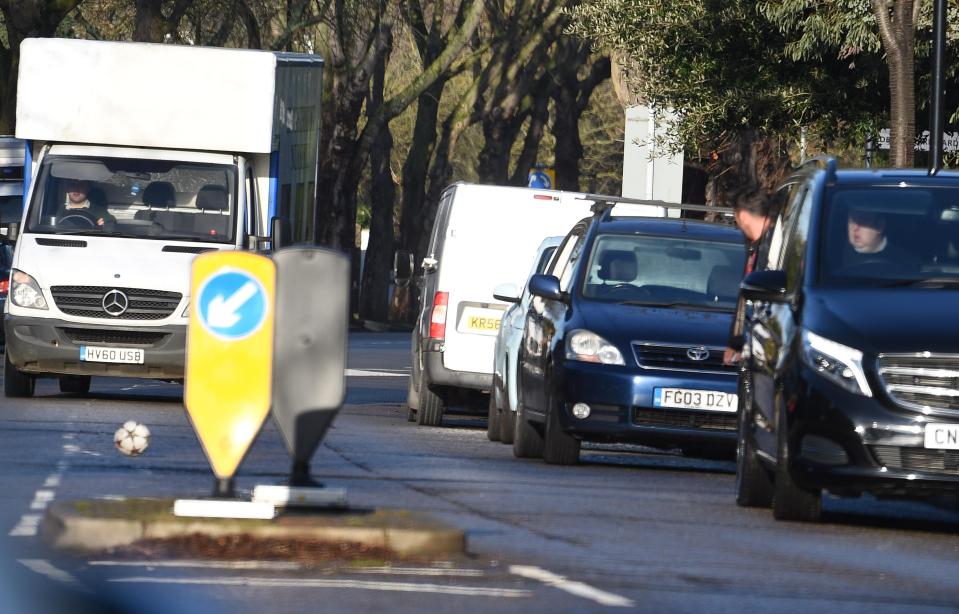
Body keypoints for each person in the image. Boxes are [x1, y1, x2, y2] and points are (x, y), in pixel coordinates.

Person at [723, 186, 772, 365]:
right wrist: (735, 342)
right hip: (755, 345)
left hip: (767, 349)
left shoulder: (774, 247)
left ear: (742, 216)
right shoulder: (756, 248)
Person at [840, 208, 914, 270]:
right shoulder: (836, 255)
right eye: (852, 221)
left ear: (879, 226)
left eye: (863, 220)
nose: (855, 228)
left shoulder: (905, 259)